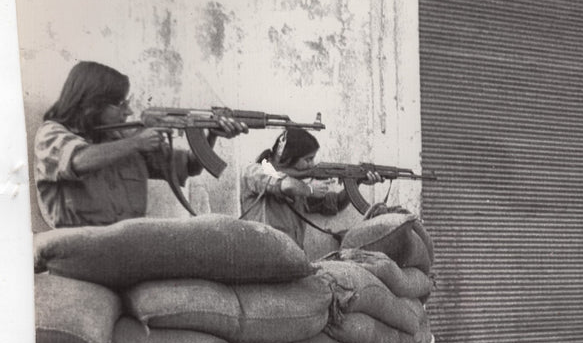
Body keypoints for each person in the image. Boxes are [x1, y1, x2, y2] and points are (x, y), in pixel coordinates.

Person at [34, 61, 247, 227]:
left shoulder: (122, 139)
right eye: (120, 104)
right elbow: (78, 160)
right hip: (79, 246)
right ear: (92, 103)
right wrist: (137, 142)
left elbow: (191, 167)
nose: (127, 111)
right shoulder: (51, 135)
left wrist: (211, 134)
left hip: (128, 245)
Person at [240, 128, 380, 247]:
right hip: (263, 256)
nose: (312, 165)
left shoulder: (299, 188)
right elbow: (287, 185)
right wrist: (310, 190)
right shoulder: (255, 171)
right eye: (308, 159)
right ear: (288, 158)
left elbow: (336, 203)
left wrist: (355, 182)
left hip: (292, 260)